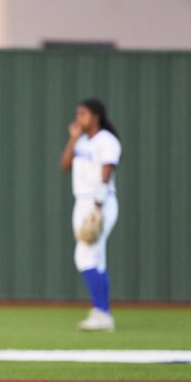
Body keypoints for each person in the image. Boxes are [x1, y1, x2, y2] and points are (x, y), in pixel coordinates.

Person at [60, 98, 122, 331]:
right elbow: (65, 165)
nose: (79, 118)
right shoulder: (83, 141)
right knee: (96, 259)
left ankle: (102, 313)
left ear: (96, 116)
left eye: (83, 114)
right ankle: (102, 312)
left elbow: (106, 172)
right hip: (82, 201)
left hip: (99, 202)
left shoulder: (106, 141)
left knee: (84, 257)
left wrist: (98, 205)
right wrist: (74, 138)